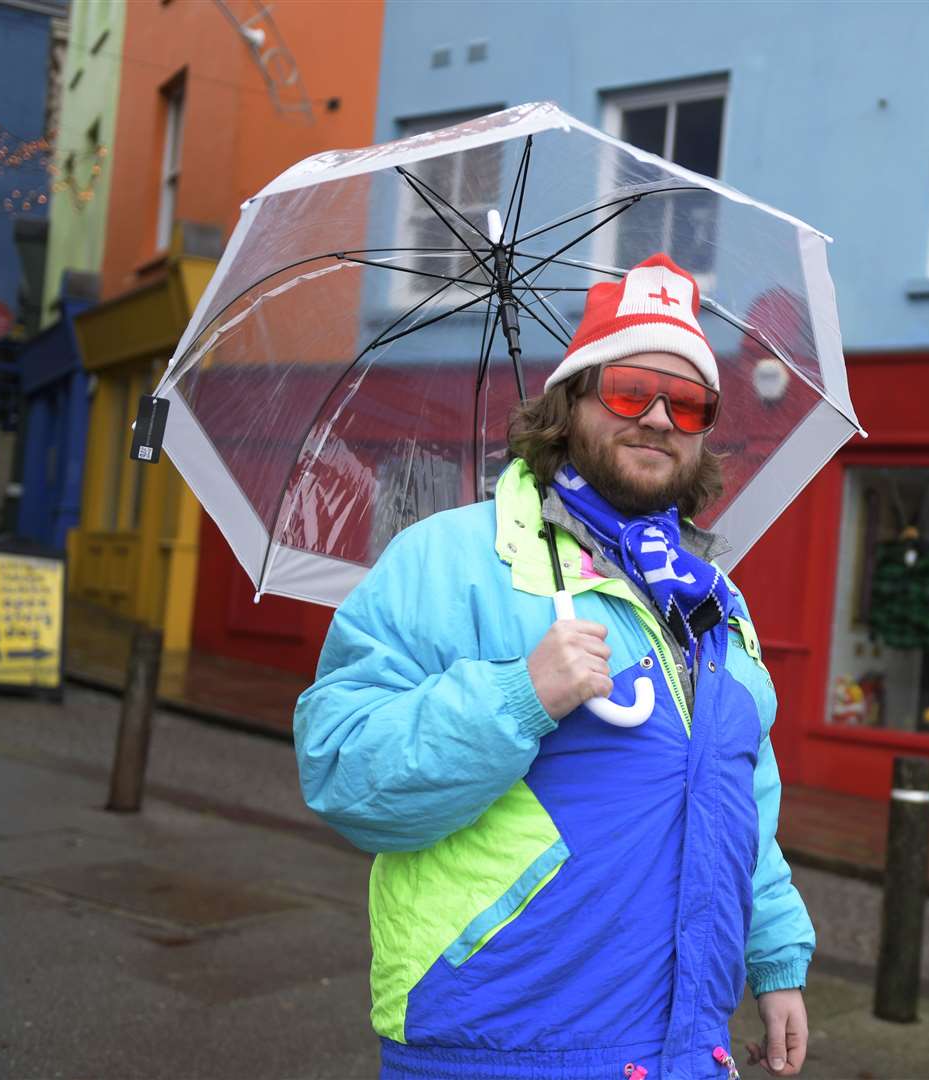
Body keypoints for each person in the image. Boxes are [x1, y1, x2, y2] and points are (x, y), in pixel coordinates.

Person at [295, 253, 814, 1080]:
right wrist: (517, 698)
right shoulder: (449, 559)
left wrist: (776, 959)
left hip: (687, 1050)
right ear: (569, 403)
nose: (657, 417)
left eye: (687, 403)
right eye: (626, 390)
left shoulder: (710, 599)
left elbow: (741, 796)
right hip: (498, 1044)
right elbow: (344, 773)